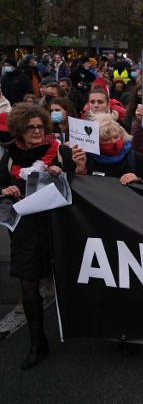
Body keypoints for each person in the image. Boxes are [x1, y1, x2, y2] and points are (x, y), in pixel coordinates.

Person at [0, 103, 75, 369]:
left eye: (40, 127)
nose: (35, 131)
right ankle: (36, 341)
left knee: (70, 279)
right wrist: (7, 188)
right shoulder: (9, 155)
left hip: (57, 225)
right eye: (30, 127)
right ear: (20, 128)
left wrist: (63, 174)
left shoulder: (61, 151)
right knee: (28, 284)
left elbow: (79, 184)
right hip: (25, 229)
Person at [71, 115, 143, 184]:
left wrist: (137, 180)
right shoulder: (87, 158)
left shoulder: (136, 158)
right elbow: (81, 188)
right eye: (106, 140)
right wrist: (81, 168)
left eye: (116, 137)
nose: (113, 142)